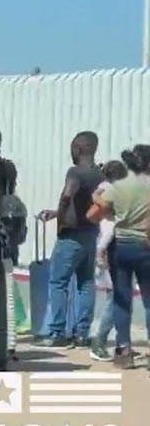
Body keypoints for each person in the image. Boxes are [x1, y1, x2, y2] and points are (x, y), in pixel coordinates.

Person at [37, 131, 103, 349]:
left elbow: (69, 194)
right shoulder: (99, 175)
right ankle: (82, 334)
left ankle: (57, 332)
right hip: (91, 234)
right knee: (85, 283)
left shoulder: (75, 172)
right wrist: (57, 213)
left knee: (58, 282)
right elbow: (87, 205)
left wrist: (62, 216)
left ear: (79, 148)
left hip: (71, 237)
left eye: (73, 146)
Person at [88, 144, 150, 368]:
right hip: (146, 245)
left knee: (121, 299)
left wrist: (97, 196)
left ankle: (123, 350)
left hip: (121, 246)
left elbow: (96, 212)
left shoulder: (118, 187)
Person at [89, 159, 128, 362]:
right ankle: (100, 342)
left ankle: (117, 344)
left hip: (109, 246)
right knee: (117, 298)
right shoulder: (111, 190)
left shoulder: (103, 188)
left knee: (117, 297)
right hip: (110, 246)